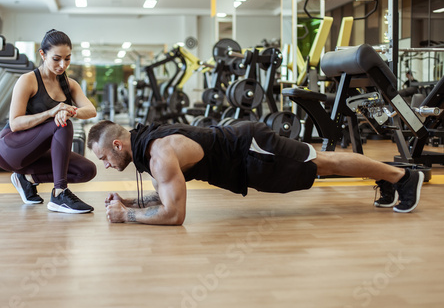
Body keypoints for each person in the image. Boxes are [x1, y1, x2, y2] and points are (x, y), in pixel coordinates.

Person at [87, 120, 424, 225]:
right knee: (322, 166)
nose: (104, 166)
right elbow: (164, 195)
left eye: (103, 158)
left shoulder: (159, 153)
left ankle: (403, 178)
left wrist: (126, 218)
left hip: (252, 150)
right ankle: (391, 177)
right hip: (246, 159)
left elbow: (174, 214)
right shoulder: (148, 144)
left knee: (324, 164)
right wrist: (129, 202)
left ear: (118, 145)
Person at [0, 29, 97, 214]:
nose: (62, 64)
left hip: (37, 153)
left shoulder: (70, 84)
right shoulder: (28, 81)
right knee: (62, 124)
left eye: (67, 58)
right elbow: (15, 123)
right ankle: (60, 193)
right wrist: (52, 112)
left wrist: (68, 110)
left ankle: (27, 180)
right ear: (43, 54)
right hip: (10, 148)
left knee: (87, 170)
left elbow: (91, 110)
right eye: (56, 58)